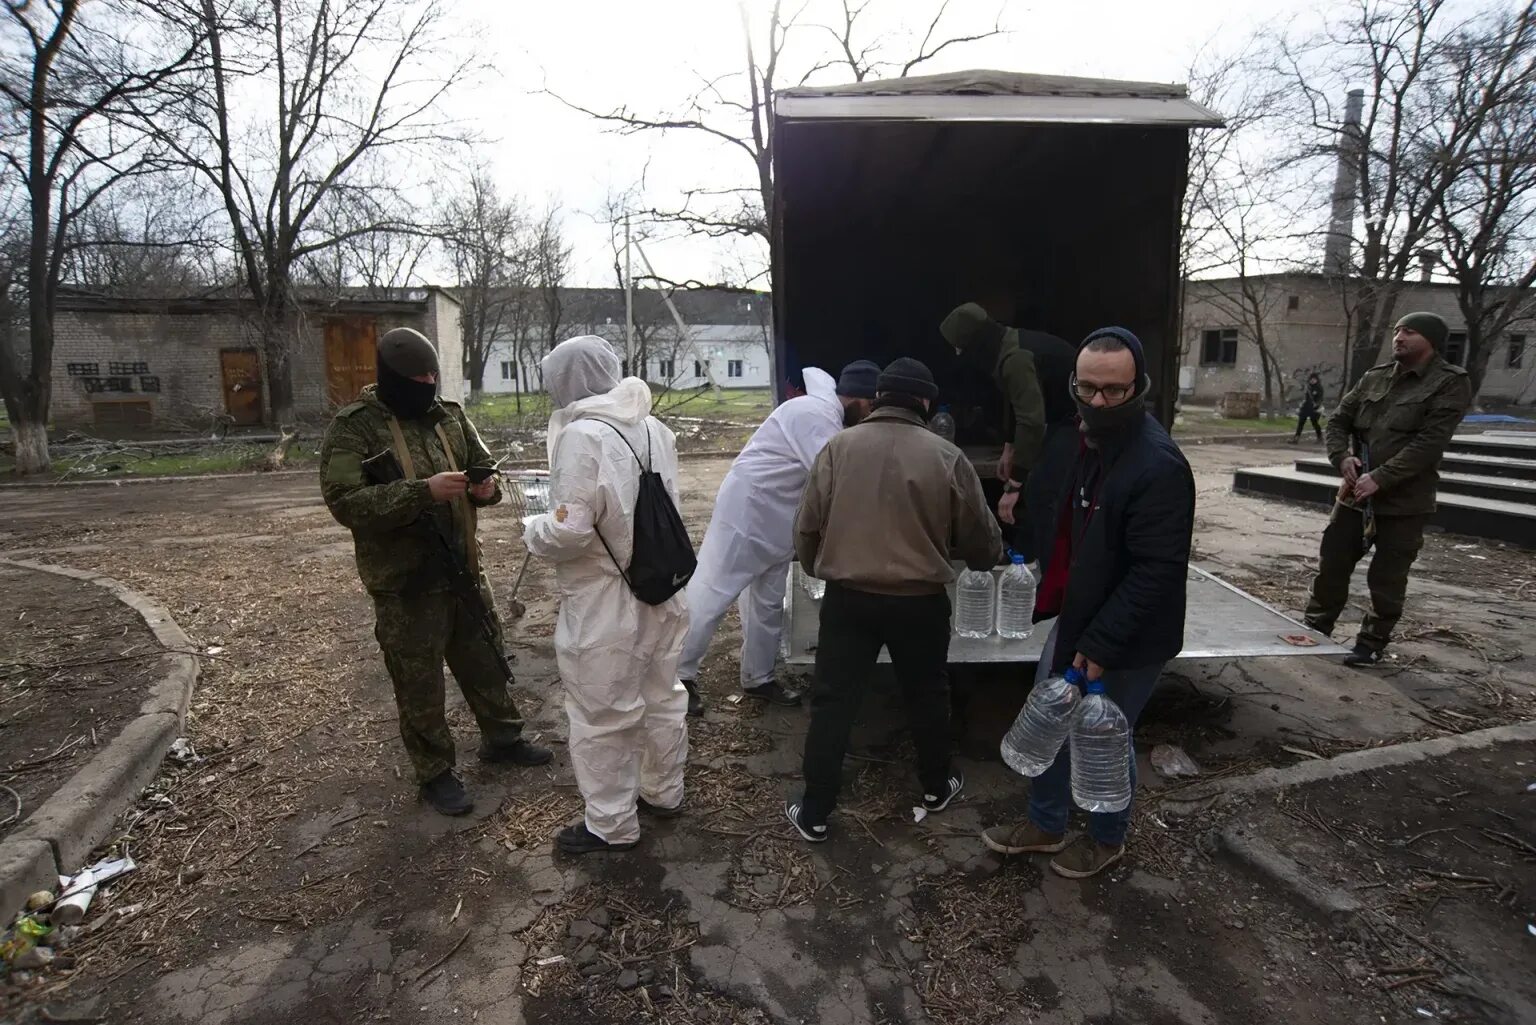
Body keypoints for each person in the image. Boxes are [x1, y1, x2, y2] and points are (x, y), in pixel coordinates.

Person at [981, 328, 1195, 879]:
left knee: (1103, 731)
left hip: (1130, 631)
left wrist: (1102, 643)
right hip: (1081, 616)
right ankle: (1047, 824)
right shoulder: (1085, 444)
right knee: (1051, 714)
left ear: (1138, 388)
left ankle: (1107, 838)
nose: (1098, 402)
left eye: (1113, 391)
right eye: (1088, 388)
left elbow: (1157, 571)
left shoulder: (1158, 466)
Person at [320, 327, 551, 817]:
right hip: (405, 583)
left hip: (463, 568)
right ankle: (435, 773)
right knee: (419, 682)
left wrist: (481, 490)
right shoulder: (355, 427)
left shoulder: (449, 416)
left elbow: (481, 466)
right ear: (392, 378)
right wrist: (420, 492)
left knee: (485, 659)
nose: (427, 383)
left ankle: (503, 739)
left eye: (433, 376)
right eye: (417, 378)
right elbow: (344, 503)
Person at [786, 358, 1003, 842]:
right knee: (926, 694)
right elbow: (981, 538)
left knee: (834, 702)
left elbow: (806, 524)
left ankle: (816, 809)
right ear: (925, 402)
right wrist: (987, 559)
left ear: (879, 397)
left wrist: (813, 566)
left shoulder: (837, 448)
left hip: (848, 600)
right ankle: (934, 786)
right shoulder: (947, 456)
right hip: (919, 603)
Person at [522, 335, 690, 854]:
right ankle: (664, 792)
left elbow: (571, 532)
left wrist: (531, 527)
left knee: (603, 714)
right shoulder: (654, 427)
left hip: (604, 601)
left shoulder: (581, 437)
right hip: (662, 586)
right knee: (663, 695)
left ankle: (611, 825)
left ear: (565, 383)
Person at [676, 361, 880, 716]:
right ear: (857, 398)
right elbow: (833, 478)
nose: (869, 417)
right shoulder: (814, 413)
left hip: (776, 518)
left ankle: (759, 677)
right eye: (870, 407)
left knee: (768, 603)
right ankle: (677, 677)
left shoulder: (828, 418)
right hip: (748, 512)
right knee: (712, 593)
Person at [1303, 313, 1471, 667]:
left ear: (1431, 340)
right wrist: (1342, 457)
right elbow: (1338, 420)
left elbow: (1429, 443)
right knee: (1332, 564)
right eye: (1396, 330)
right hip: (1353, 496)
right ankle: (1316, 628)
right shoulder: (1374, 377)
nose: (1399, 336)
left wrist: (1381, 477)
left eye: (1409, 331)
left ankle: (1371, 642)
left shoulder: (1449, 383)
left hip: (1404, 504)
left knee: (1388, 577)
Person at [941, 302, 1074, 563]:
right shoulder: (1007, 344)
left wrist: (1014, 485)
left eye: (960, 347)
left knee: (1043, 490)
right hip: (1058, 419)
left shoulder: (1015, 359)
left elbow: (1032, 421)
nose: (957, 354)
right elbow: (1019, 403)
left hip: (1076, 419)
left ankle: (1051, 573)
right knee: (1036, 484)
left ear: (974, 343)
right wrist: (1009, 447)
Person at [1291, 372, 1326, 444]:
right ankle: (1296, 438)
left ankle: (1320, 438)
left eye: (1314, 379)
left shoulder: (1319, 388)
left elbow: (1320, 398)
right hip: (1306, 407)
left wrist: (1317, 405)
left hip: (1314, 408)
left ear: (1317, 380)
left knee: (1315, 423)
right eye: (1311, 379)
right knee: (1301, 422)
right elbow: (1306, 396)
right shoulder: (1308, 387)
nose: (1312, 380)